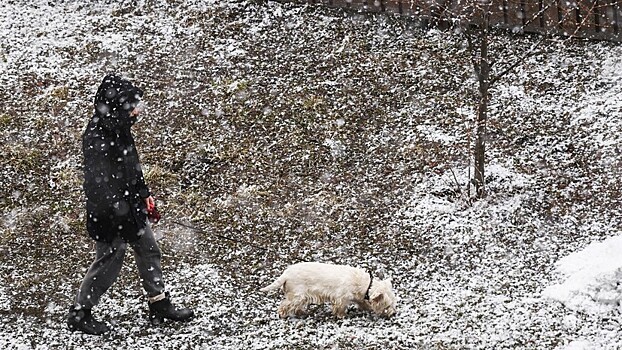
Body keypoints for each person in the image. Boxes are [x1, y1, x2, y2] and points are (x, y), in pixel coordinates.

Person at [67, 74, 194, 335]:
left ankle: (158, 303)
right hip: (109, 215)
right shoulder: (97, 137)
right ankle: (80, 312)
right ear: (118, 106)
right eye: (133, 106)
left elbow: (131, 167)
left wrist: (144, 193)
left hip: (131, 208)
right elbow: (100, 186)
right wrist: (122, 211)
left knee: (149, 250)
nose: (137, 111)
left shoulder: (120, 129)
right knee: (109, 261)